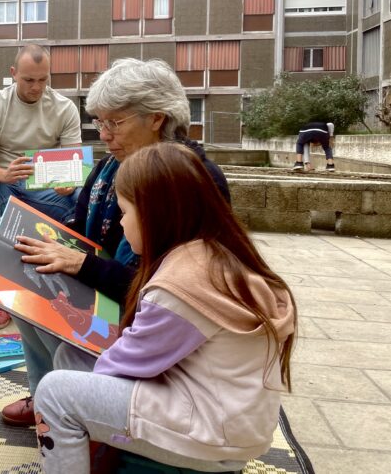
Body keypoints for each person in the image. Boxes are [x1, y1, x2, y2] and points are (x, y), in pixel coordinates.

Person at [34, 142, 297, 473]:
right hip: (221, 412)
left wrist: (86, 398)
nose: (121, 225)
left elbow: (126, 364)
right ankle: (101, 456)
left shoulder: (181, 284)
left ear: (153, 214)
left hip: (210, 435)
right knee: (69, 358)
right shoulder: (209, 252)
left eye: (125, 213)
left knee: (56, 393)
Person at [0, 58, 230, 427]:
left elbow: (168, 293)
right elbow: (82, 229)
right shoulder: (109, 168)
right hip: (112, 288)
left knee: (44, 296)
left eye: (115, 123)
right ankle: (48, 396)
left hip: (151, 318)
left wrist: (80, 264)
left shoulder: (189, 180)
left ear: (156, 118)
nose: (104, 135)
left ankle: (76, 405)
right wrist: (52, 239)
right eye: (99, 122)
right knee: (22, 284)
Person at [0, 43, 82, 330]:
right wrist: (4, 174)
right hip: (3, 184)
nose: (36, 87)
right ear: (14, 74)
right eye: (29, 80)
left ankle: (77, 284)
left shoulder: (64, 108)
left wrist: (69, 182)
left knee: (83, 198)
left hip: (46, 189)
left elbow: (74, 164)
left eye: (43, 80)